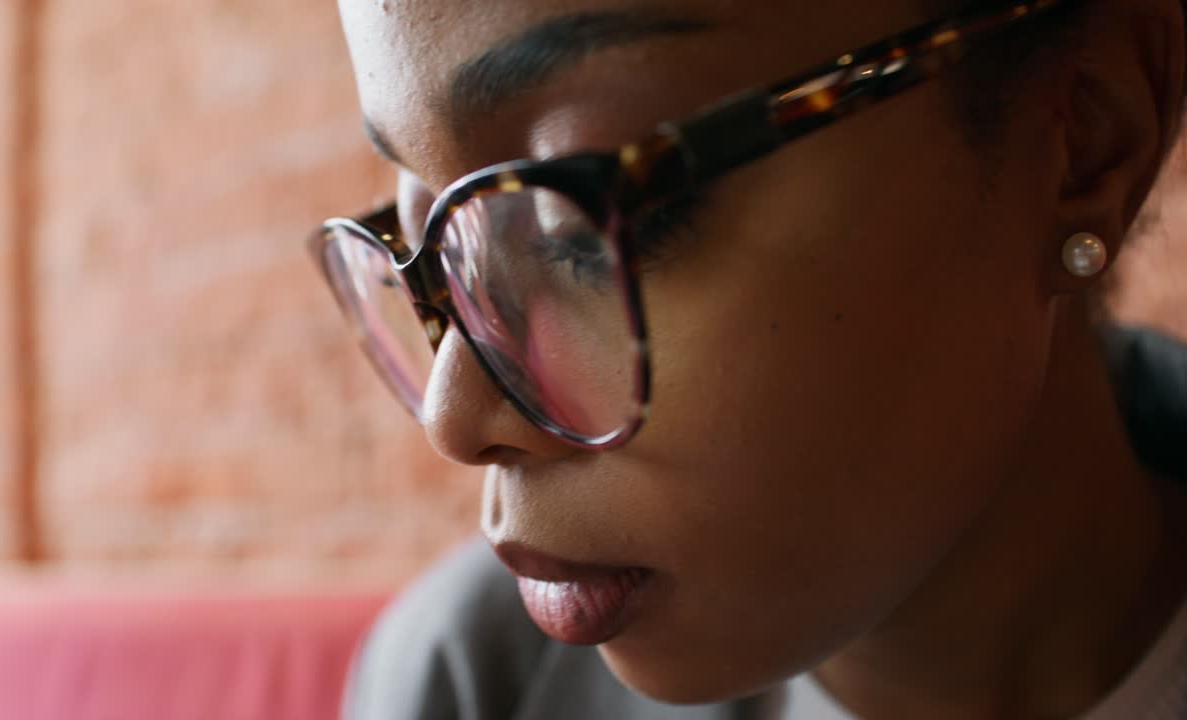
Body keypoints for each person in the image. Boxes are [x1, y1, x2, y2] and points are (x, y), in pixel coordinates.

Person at [314, 0, 1187, 716]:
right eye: (428, 220)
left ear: (1087, 135)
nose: (452, 416)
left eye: (575, 226)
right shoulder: (461, 687)